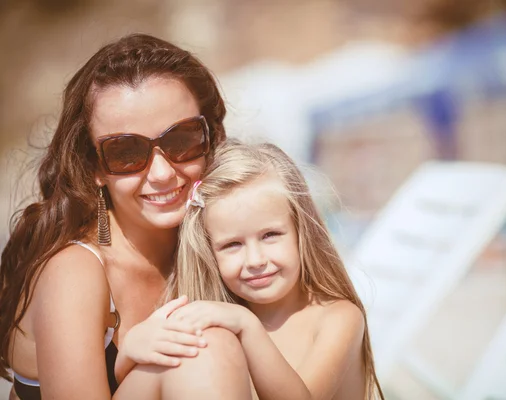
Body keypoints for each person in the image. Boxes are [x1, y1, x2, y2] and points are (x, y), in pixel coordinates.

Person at [0, 33, 252, 399]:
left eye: (182, 139)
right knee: (205, 349)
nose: (162, 173)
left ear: (211, 137)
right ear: (93, 168)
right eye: (126, 152)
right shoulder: (74, 274)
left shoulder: (232, 244)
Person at [161, 139, 386, 399]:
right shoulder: (217, 328)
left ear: (302, 231)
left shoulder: (339, 318)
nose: (255, 260)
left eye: (270, 235)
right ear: (210, 254)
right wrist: (130, 355)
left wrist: (247, 326)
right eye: (232, 244)